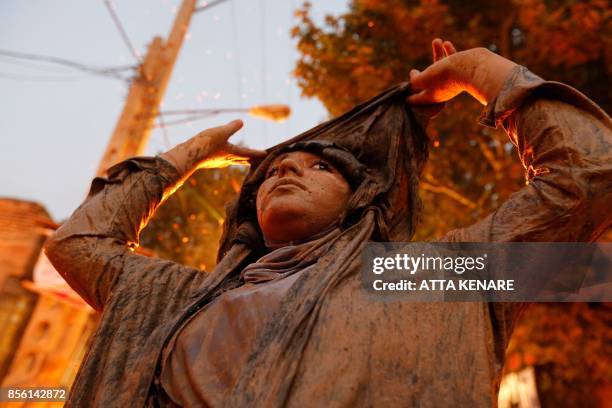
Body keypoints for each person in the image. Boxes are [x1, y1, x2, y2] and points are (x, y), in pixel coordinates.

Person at [45, 39, 611, 407]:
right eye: (274, 170)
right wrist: (180, 161)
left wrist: (477, 69)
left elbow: (589, 177)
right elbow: (77, 243)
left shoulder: (421, 278)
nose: (287, 172)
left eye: (318, 166)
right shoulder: (177, 297)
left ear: (359, 199)